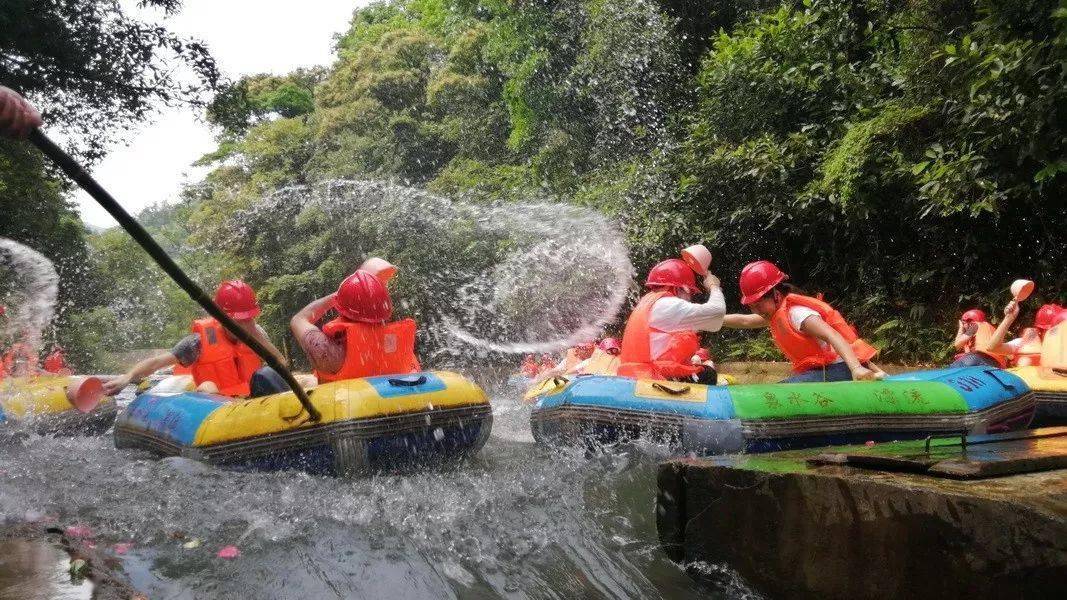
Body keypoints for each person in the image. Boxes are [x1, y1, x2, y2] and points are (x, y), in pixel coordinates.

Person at [102, 280, 286, 397]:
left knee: (268, 375)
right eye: (240, 319)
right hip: (218, 406)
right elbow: (158, 362)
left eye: (249, 318)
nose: (246, 324)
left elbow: (281, 364)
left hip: (253, 399)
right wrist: (128, 377)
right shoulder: (197, 342)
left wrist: (257, 335)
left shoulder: (257, 333)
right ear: (222, 318)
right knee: (208, 385)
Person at [722, 260, 883, 382]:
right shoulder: (776, 315)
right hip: (824, 370)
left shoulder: (798, 314)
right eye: (752, 307)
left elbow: (832, 334)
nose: (756, 311)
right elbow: (744, 321)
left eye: (758, 305)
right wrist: (710, 320)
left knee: (784, 389)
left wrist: (856, 368)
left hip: (841, 368)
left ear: (776, 295)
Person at [290, 269, 420, 382]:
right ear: (387, 308)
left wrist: (335, 296)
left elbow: (298, 319)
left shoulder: (327, 351)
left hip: (348, 406)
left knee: (308, 382)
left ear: (340, 308)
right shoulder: (395, 341)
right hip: (392, 403)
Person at [617, 259, 724, 384]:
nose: (690, 299)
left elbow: (715, 320)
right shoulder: (668, 304)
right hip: (650, 379)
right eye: (690, 293)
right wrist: (714, 286)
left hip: (634, 376)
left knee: (703, 372)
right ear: (679, 289)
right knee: (707, 374)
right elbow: (717, 312)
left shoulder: (650, 302)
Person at [954, 301, 1066, 368]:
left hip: (979, 360)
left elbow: (957, 345)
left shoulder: (974, 326)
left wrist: (960, 329)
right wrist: (1009, 318)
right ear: (1041, 330)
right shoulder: (1022, 343)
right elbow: (993, 348)